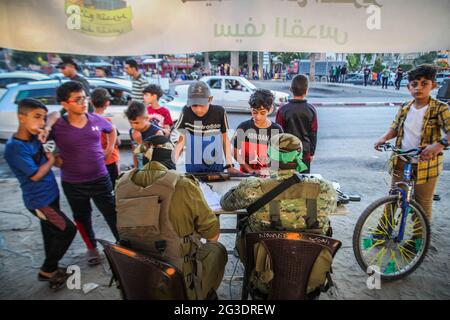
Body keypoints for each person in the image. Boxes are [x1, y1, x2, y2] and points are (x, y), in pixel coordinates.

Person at [116, 135, 227, 300]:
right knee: (217, 249)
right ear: (171, 156)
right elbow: (212, 235)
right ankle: (199, 293)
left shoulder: (121, 184)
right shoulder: (183, 184)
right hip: (177, 282)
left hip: (137, 279)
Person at [4, 98, 76, 290]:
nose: (41, 122)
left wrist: (46, 130)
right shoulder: (15, 147)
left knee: (51, 232)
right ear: (21, 117)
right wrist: (51, 158)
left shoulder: (38, 136)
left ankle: (52, 270)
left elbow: (54, 114)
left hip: (51, 194)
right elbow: (35, 175)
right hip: (39, 201)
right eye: (36, 117)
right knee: (68, 230)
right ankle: (48, 268)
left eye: (42, 118)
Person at [47, 81, 120, 265]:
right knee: (82, 217)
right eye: (77, 99)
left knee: (111, 212)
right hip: (73, 183)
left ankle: (122, 244)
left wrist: (109, 149)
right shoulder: (58, 126)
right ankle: (92, 248)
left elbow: (111, 131)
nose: (83, 102)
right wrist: (54, 158)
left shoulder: (96, 119)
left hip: (100, 179)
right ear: (65, 104)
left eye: (84, 97)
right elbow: (45, 144)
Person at [374, 64, 450, 221]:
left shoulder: (440, 108)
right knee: (394, 196)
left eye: (424, 84)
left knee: (422, 203)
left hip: (427, 164)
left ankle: (417, 240)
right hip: (402, 160)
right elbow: (394, 128)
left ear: (433, 85)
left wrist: (438, 145)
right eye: (414, 84)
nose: (419, 88)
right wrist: (383, 138)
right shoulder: (405, 107)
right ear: (409, 87)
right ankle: (383, 229)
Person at [174, 81, 240, 174]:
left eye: (202, 105)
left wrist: (229, 165)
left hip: (215, 166)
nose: (198, 109)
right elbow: (181, 140)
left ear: (210, 99)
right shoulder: (186, 111)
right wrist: (172, 165)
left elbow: (225, 139)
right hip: (193, 167)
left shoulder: (219, 112)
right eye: (194, 105)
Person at [232, 89, 283, 175]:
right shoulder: (243, 127)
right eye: (254, 112)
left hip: (269, 176)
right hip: (247, 175)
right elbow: (235, 152)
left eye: (263, 113)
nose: (258, 117)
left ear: (270, 109)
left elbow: (280, 156)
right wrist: (250, 170)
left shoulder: (277, 130)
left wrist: (268, 170)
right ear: (250, 109)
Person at [275, 74, 318, 173]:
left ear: (291, 89)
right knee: (303, 183)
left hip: (286, 154)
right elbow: (313, 133)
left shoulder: (283, 110)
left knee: (286, 183)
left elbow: (278, 134)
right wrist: (312, 153)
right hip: (304, 153)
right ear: (306, 91)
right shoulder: (311, 110)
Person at [91, 88, 121, 187]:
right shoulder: (107, 121)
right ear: (107, 103)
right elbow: (118, 142)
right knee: (113, 187)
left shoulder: (87, 121)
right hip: (110, 160)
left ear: (91, 102)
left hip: (95, 160)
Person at [125, 101, 163, 169]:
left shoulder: (157, 133)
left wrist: (140, 142)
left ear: (147, 118)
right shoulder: (132, 131)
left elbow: (159, 159)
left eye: (137, 123)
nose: (134, 126)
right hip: (140, 170)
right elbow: (134, 152)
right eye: (131, 123)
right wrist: (135, 168)